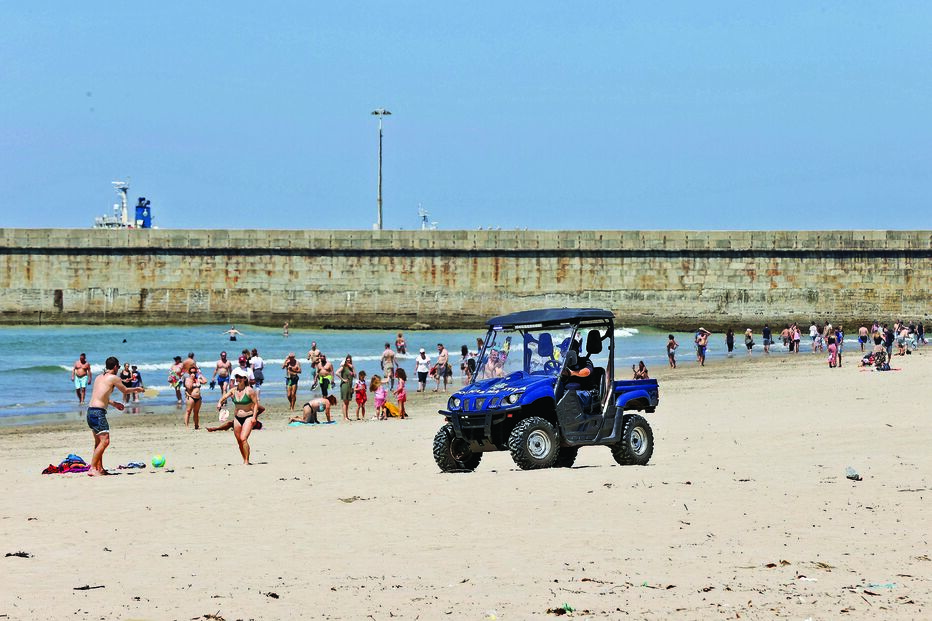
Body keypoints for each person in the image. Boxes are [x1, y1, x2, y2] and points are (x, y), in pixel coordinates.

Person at [85, 356, 144, 476]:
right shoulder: (114, 377)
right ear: (116, 366)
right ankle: (92, 468)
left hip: (90, 411)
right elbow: (126, 390)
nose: (119, 368)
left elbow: (100, 396)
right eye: (119, 366)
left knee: (98, 442)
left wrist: (114, 403)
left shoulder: (98, 377)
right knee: (105, 441)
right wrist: (137, 389)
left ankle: (100, 469)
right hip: (98, 413)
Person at [216, 370, 260, 465]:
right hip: (237, 418)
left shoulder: (249, 390)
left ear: (245, 379)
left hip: (248, 417)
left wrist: (254, 418)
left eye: (240, 377)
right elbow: (224, 397)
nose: (238, 379)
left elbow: (256, 404)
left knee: (243, 438)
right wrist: (219, 402)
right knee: (239, 441)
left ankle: (246, 461)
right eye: (237, 377)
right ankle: (244, 459)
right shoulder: (233, 390)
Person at [337, 355, 355, 422]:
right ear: (345, 361)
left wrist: (353, 368)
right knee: (345, 402)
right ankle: (345, 417)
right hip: (344, 386)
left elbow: (355, 375)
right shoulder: (343, 367)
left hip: (349, 386)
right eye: (347, 360)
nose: (348, 361)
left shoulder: (351, 368)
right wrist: (343, 379)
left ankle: (347, 416)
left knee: (347, 402)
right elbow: (337, 373)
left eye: (349, 360)